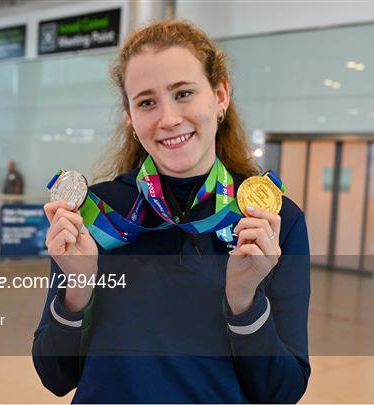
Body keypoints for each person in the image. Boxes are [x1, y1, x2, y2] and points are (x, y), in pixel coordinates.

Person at [33, 20, 310, 404]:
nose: (167, 118)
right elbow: (55, 375)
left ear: (220, 96)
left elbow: (283, 390)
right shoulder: (94, 215)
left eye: (183, 93)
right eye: (147, 102)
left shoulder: (272, 222)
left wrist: (245, 301)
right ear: (130, 117)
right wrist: (77, 290)